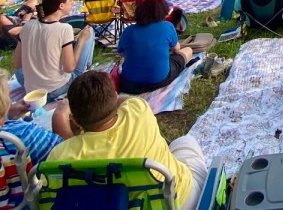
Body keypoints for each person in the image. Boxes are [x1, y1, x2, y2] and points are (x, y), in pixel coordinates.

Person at [48, 71, 207, 210]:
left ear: (74, 120)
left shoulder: (61, 158)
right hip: (180, 200)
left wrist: (63, 121)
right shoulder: (138, 110)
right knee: (185, 141)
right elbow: (125, 100)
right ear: (115, 97)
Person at [13, 0, 95, 100]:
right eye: (71, 0)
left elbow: (17, 65)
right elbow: (69, 68)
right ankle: (86, 70)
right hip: (55, 90)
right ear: (61, 6)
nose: (73, 3)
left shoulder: (28, 25)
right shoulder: (64, 29)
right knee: (89, 31)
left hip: (30, 88)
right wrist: (81, 41)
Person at [117, 0, 193, 94]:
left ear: (138, 9)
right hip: (159, 80)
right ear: (163, 8)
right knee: (188, 50)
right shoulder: (168, 27)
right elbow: (177, 50)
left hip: (129, 85)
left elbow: (122, 54)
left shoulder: (128, 31)